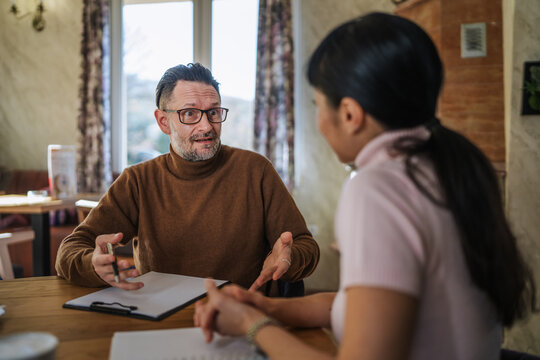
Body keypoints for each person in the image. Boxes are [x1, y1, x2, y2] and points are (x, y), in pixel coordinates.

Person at [194, 12, 537, 359]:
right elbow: (359, 306)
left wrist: (252, 326)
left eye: (318, 105)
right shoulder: (454, 164)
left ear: (349, 114)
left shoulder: (378, 189)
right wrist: (265, 307)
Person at [55, 63, 319, 292]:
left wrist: (289, 258)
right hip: (161, 321)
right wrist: (91, 265)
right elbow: (70, 249)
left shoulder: (256, 170)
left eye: (213, 112)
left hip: (242, 318)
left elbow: (306, 246)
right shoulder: (138, 181)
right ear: (163, 122)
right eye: (190, 114)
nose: (206, 126)